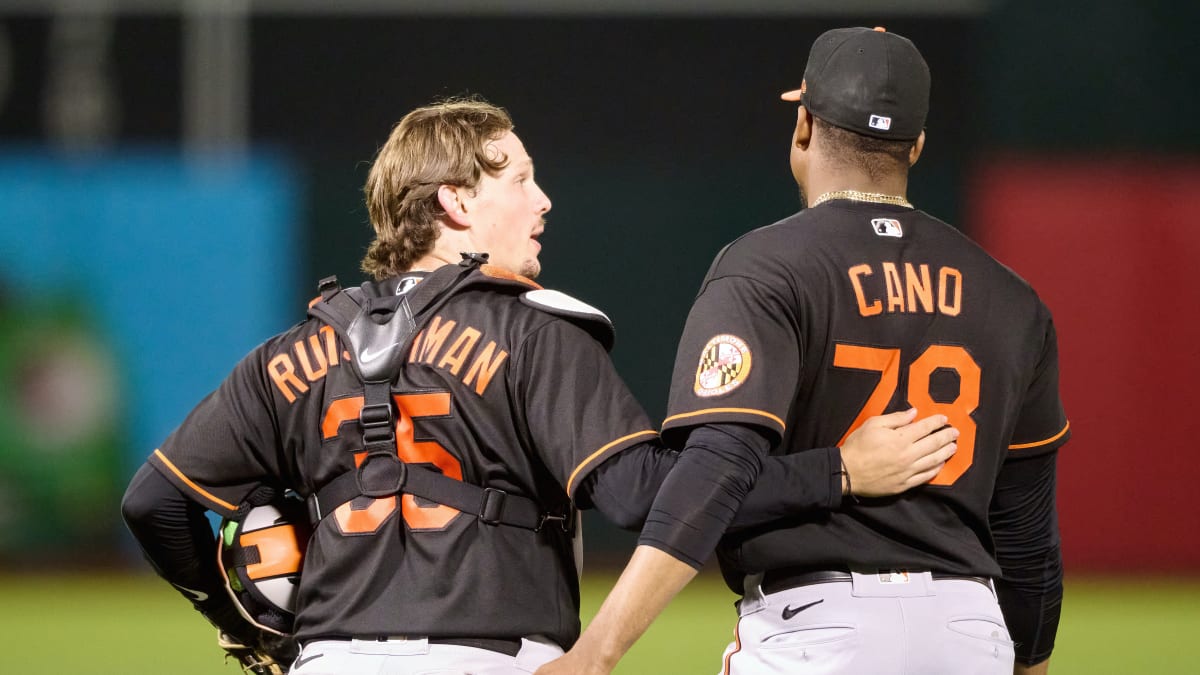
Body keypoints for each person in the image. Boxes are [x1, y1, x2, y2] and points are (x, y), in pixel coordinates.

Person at [120, 96, 958, 674]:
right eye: (519, 177)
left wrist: (250, 627)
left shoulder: (290, 352)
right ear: (454, 201)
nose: (544, 199)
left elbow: (153, 503)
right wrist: (838, 471)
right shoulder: (532, 330)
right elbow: (650, 496)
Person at [538, 27, 1069, 675]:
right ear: (918, 146)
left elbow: (714, 471)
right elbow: (1028, 536)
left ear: (804, 126)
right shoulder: (1013, 300)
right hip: (969, 627)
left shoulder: (767, 268)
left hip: (821, 622)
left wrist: (598, 649)